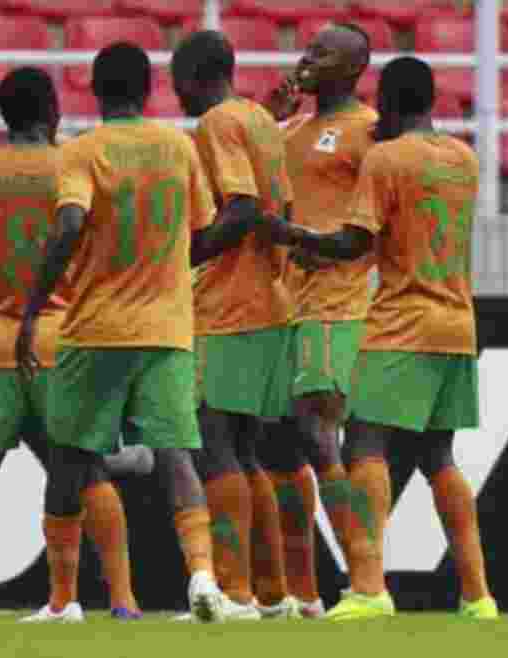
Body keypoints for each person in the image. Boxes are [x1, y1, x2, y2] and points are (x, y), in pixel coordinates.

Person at [17, 41, 228, 624]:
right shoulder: (178, 147)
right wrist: (164, 268)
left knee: (67, 458)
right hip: (167, 326)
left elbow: (68, 224)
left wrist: (34, 307)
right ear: (150, 89)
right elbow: (204, 231)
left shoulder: (84, 151)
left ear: (93, 88)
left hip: (97, 327)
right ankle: (203, 576)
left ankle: (63, 601)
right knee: (177, 455)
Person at [281, 56, 498, 621]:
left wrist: (295, 239)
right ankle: (479, 598)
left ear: (391, 101)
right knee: (438, 456)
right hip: (457, 322)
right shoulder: (464, 159)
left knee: (365, 446)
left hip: (403, 319)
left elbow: (355, 242)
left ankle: (369, 588)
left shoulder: (385, 159)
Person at [0, 67, 140, 622]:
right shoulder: (76, 167)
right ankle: (118, 598)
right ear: (52, 110)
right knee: (87, 469)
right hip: (68, 342)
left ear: (3, 114)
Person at [171, 30, 298, 620]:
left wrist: (188, 256)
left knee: (216, 444)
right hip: (271, 299)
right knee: (246, 453)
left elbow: (242, 205)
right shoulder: (261, 120)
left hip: (229, 305)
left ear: (196, 75)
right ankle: (273, 595)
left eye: (175, 78)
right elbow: (282, 208)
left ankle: (236, 592)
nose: (173, 92)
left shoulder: (218, 122)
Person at [258, 22, 379, 617]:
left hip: (338, 302)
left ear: (354, 67)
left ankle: (366, 585)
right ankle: (301, 597)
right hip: (282, 302)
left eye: (322, 52)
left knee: (316, 433)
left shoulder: (369, 132)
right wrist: (265, 117)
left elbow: (375, 224)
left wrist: (309, 239)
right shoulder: (291, 129)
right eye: (306, 48)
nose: (307, 58)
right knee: (279, 447)